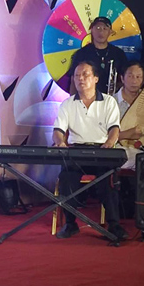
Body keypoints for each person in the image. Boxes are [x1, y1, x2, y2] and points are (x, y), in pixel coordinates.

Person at [53, 60, 128, 241]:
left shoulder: (108, 101)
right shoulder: (67, 104)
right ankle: (70, 224)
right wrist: (60, 142)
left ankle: (114, 226)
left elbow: (114, 129)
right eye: (77, 75)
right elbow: (58, 130)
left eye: (85, 74)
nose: (80, 78)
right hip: (76, 151)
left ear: (95, 78)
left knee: (108, 181)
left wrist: (109, 142)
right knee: (66, 179)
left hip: (101, 150)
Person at [70, 16, 127, 95]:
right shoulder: (81, 53)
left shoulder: (118, 53)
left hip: (113, 97)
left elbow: (125, 78)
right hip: (87, 96)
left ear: (110, 32)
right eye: (98, 28)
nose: (101, 32)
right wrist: (73, 99)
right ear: (91, 30)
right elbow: (73, 79)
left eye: (105, 28)